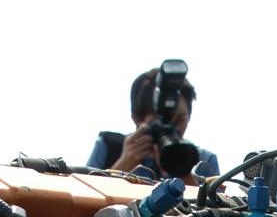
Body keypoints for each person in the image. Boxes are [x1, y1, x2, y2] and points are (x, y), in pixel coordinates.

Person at [85, 66, 220, 183]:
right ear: (137, 119)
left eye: (180, 119)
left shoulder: (204, 161)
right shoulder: (109, 148)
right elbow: (84, 197)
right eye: (160, 121)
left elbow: (216, 205)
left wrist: (183, 171)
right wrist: (124, 164)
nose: (171, 127)